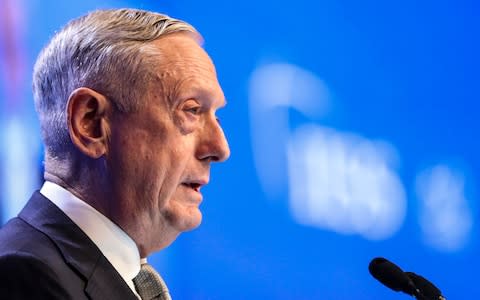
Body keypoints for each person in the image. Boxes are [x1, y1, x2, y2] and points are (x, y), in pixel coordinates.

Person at [0, 8, 230, 299]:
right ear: (91, 122)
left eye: (217, 118)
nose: (220, 149)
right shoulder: (26, 277)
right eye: (192, 111)